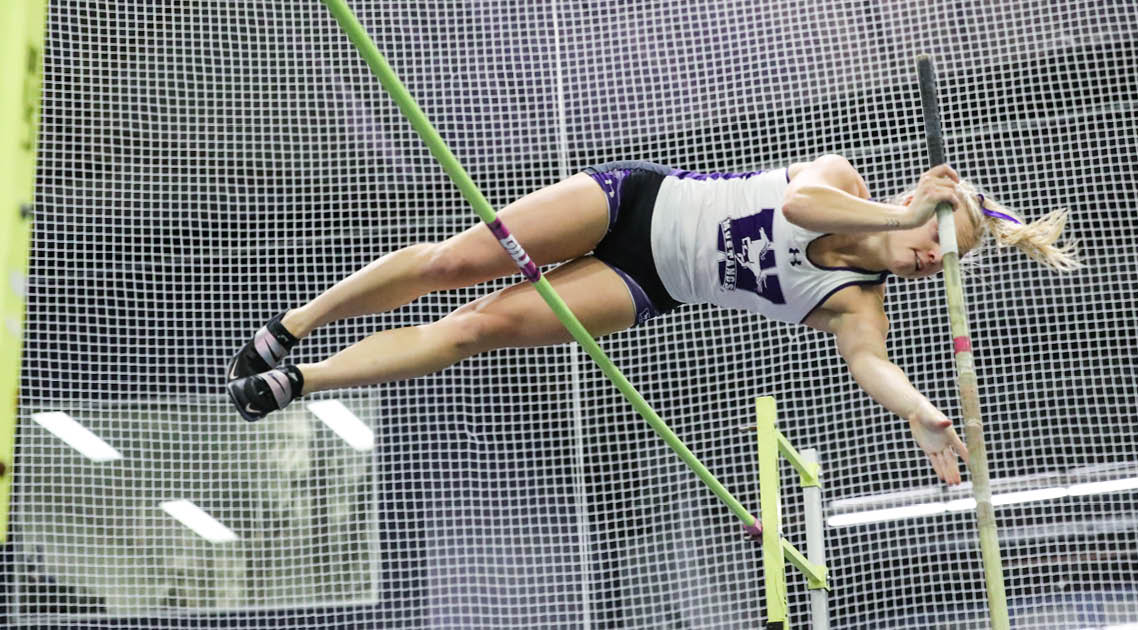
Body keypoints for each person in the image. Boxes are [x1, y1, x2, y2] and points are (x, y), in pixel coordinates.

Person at [226, 156, 1080, 485]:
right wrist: (901, 222)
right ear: (912, 205)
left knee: (474, 329)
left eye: (948, 259)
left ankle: (299, 379)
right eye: (937, 237)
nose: (934, 258)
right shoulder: (847, 186)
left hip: (647, 285)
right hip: (631, 205)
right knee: (456, 262)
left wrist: (923, 417)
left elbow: (870, 366)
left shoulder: (858, 306)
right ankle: (299, 322)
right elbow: (801, 204)